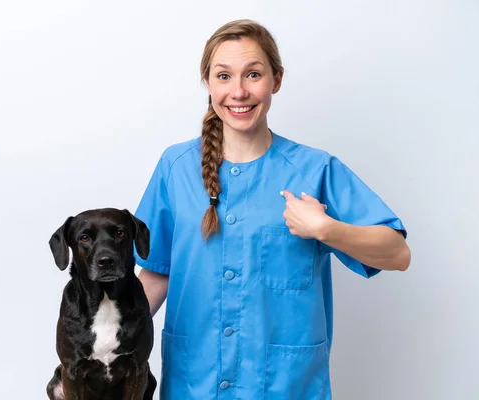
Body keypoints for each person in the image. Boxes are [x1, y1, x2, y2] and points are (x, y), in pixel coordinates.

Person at [133, 19, 410, 400]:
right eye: (224, 76)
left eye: (254, 74)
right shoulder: (175, 167)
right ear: (208, 83)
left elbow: (397, 252)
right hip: (193, 384)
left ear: (276, 80)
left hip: (284, 387)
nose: (239, 91)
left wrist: (327, 229)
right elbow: (157, 275)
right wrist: (97, 348)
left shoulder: (314, 170)